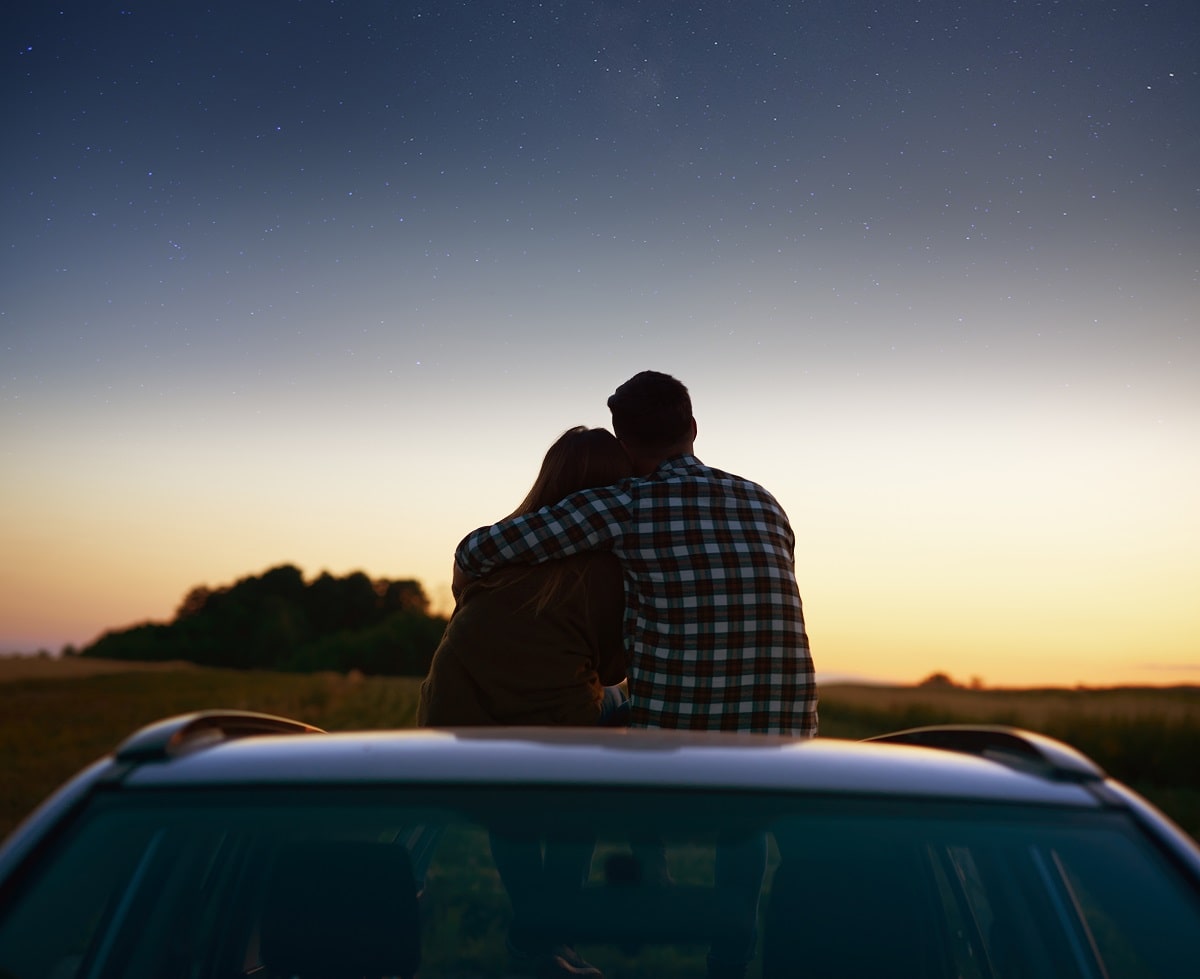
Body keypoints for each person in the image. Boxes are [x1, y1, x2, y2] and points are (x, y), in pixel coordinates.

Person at [453, 371, 817, 978]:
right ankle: (730, 952)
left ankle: (595, 903)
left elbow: (478, 549)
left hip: (674, 732)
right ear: (693, 430)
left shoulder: (624, 503)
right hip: (784, 732)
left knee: (599, 719)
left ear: (623, 443)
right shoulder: (763, 499)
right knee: (744, 823)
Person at [420, 425, 634, 979]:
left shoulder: (502, 546)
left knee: (509, 809)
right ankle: (550, 931)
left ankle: (539, 936)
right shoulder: (610, 568)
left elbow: (465, 603)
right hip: (547, 716)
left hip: (453, 709)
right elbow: (612, 669)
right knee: (591, 771)